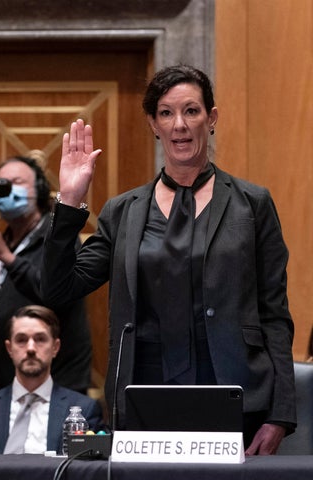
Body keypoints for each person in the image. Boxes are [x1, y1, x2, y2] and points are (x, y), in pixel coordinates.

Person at [41, 65, 295, 455]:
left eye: (191, 111)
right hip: (144, 395)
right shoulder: (122, 211)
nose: (179, 124)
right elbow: (59, 288)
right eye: (166, 113)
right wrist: (70, 201)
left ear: (211, 119)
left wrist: (280, 414)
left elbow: (275, 314)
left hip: (234, 395)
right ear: (153, 124)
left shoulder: (252, 204)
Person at [0, 153, 92, 393]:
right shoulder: (4, 239)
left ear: (38, 190)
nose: (8, 191)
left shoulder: (57, 236)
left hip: (57, 381)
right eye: (2, 185)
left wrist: (8, 257)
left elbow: (54, 293)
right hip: (6, 381)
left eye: (17, 183)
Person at [0, 305, 102, 454]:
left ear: (55, 347)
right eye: (21, 340)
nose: (31, 348)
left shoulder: (84, 411)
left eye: (40, 339)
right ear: (9, 348)